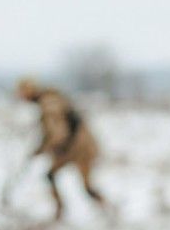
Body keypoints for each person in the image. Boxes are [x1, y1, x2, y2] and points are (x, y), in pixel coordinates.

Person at [13, 79, 104, 219]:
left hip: (78, 148)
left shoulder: (48, 104)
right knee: (74, 183)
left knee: (58, 178)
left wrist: (41, 149)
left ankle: (63, 211)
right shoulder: (51, 100)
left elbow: (57, 134)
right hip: (76, 146)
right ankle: (103, 210)